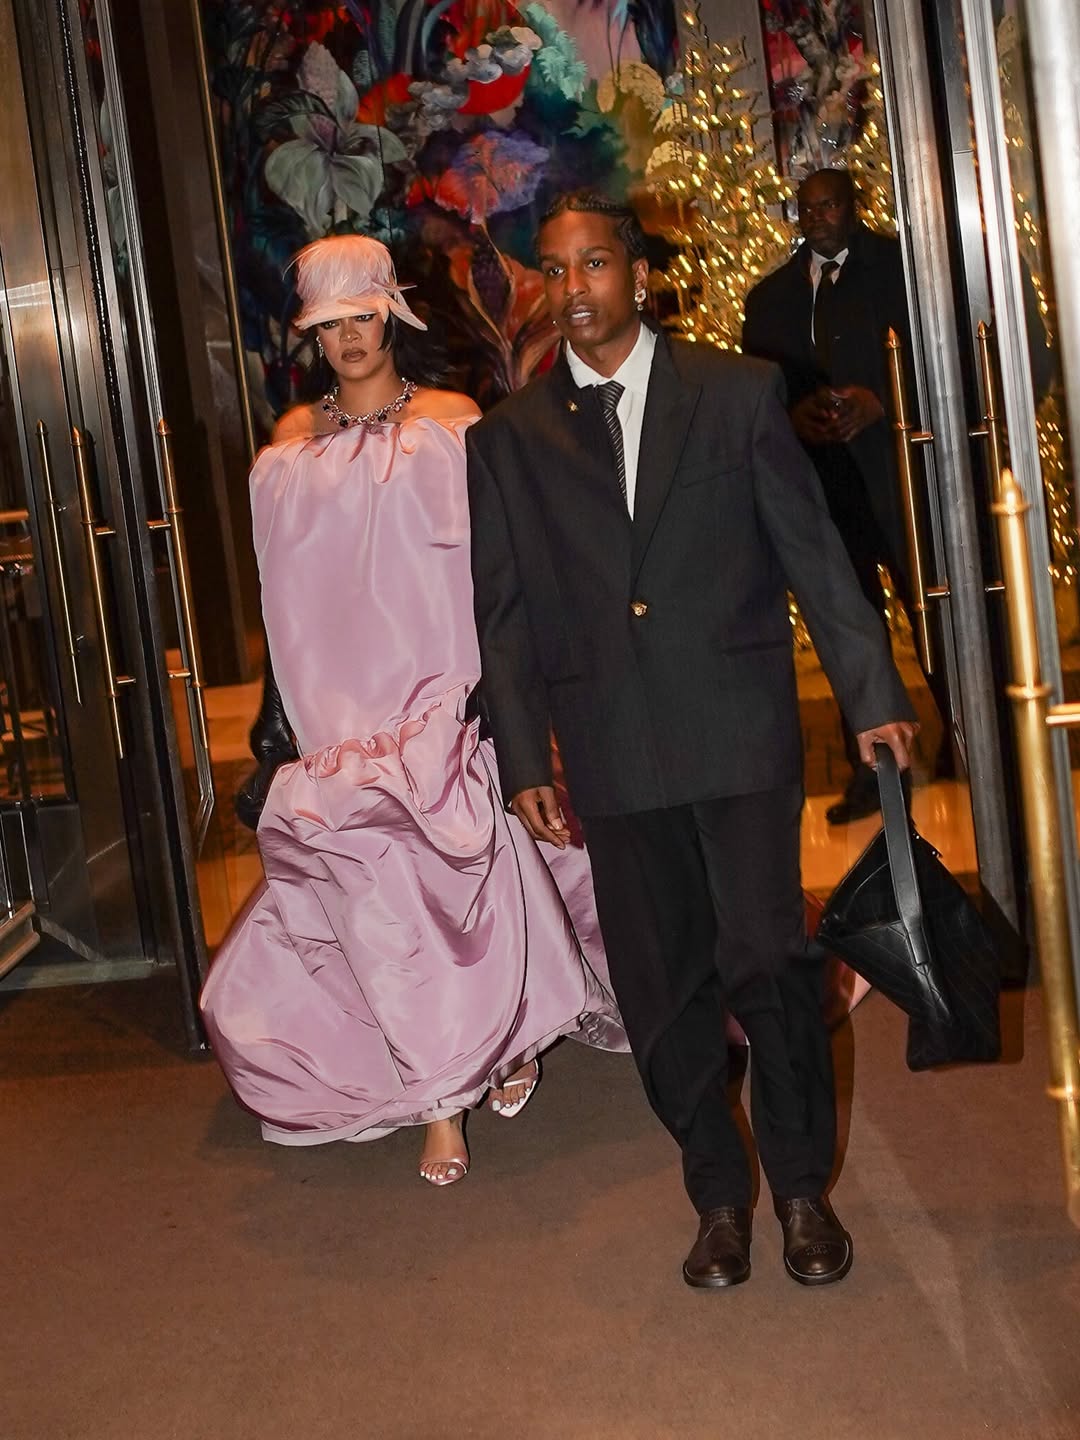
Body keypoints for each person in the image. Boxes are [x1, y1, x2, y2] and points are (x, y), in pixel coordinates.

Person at [467, 190, 917, 1289]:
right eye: (557, 270)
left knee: (768, 958)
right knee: (661, 985)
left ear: (638, 273)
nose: (575, 290)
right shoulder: (509, 440)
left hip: (738, 729)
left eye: (597, 265)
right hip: (614, 746)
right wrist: (523, 756)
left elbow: (813, 554)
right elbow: (506, 609)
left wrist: (871, 693)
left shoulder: (736, 391)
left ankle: (804, 1190)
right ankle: (718, 1195)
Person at [201, 234, 625, 1187]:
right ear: (311, 337)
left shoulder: (453, 421)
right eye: (329, 324)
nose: (349, 338)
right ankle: (454, 1081)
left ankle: (473, 1068)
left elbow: (499, 567)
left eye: (363, 315)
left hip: (445, 693)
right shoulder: (286, 449)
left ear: (392, 315)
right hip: (341, 715)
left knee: (470, 869)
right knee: (383, 897)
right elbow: (286, 599)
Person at [743, 167, 949, 823]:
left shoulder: (903, 270)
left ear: (853, 205)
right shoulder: (771, 296)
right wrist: (792, 417)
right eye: (806, 208)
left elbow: (941, 360)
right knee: (849, 630)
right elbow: (759, 393)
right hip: (822, 490)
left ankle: (970, 739)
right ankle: (874, 774)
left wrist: (884, 402)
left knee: (933, 618)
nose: (817, 217)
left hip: (901, 481)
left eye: (828, 205)